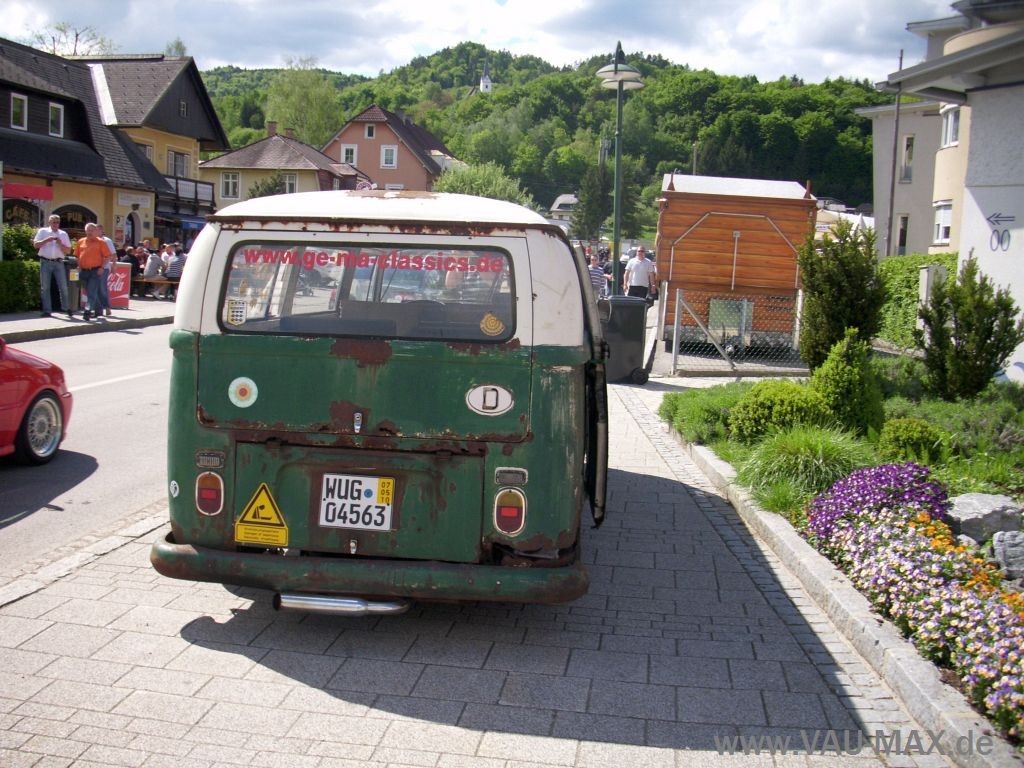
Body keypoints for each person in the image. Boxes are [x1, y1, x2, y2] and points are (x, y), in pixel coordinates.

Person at [33, 214, 74, 317]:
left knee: (63, 286)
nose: (56, 224)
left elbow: (68, 250)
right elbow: (35, 245)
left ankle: (66, 308)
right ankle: (47, 310)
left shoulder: (63, 234)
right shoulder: (43, 231)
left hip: (58, 262)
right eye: (54, 222)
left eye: (57, 222)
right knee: (45, 287)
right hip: (45, 261)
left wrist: (60, 244)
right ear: (49, 222)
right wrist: (46, 240)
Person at [75, 223, 108, 321]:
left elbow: (107, 256)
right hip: (83, 271)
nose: (90, 232)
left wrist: (102, 268)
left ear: (96, 231)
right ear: (85, 231)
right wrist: (79, 266)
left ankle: (87, 311)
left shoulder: (101, 242)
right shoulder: (81, 241)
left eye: (92, 230)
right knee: (89, 291)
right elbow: (77, 255)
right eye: (88, 230)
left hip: (95, 271)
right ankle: (99, 309)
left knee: (91, 292)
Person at [96, 224, 117, 317]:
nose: (96, 232)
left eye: (97, 230)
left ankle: (107, 306)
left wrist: (114, 265)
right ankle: (98, 309)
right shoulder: (93, 240)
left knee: (102, 287)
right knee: (95, 288)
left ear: (101, 230)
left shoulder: (107, 240)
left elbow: (113, 254)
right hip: (94, 267)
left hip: (104, 267)